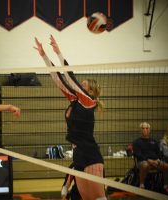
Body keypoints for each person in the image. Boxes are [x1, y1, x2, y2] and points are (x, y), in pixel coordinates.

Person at [34, 35, 106, 200]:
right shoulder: (74, 100)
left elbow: (70, 78)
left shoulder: (89, 102)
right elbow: (57, 78)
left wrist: (59, 52)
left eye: (84, 85)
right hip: (78, 155)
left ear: (91, 92)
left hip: (90, 154)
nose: (81, 86)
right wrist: (44, 55)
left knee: (99, 199)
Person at [133, 122, 168, 193]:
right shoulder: (136, 142)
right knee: (145, 165)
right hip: (143, 162)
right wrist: (148, 160)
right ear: (140, 130)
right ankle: (141, 186)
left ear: (149, 130)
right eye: (143, 128)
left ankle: (165, 186)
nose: (145, 130)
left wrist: (158, 160)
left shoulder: (154, 141)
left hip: (155, 162)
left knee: (167, 166)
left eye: (147, 128)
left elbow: (159, 153)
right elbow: (138, 154)